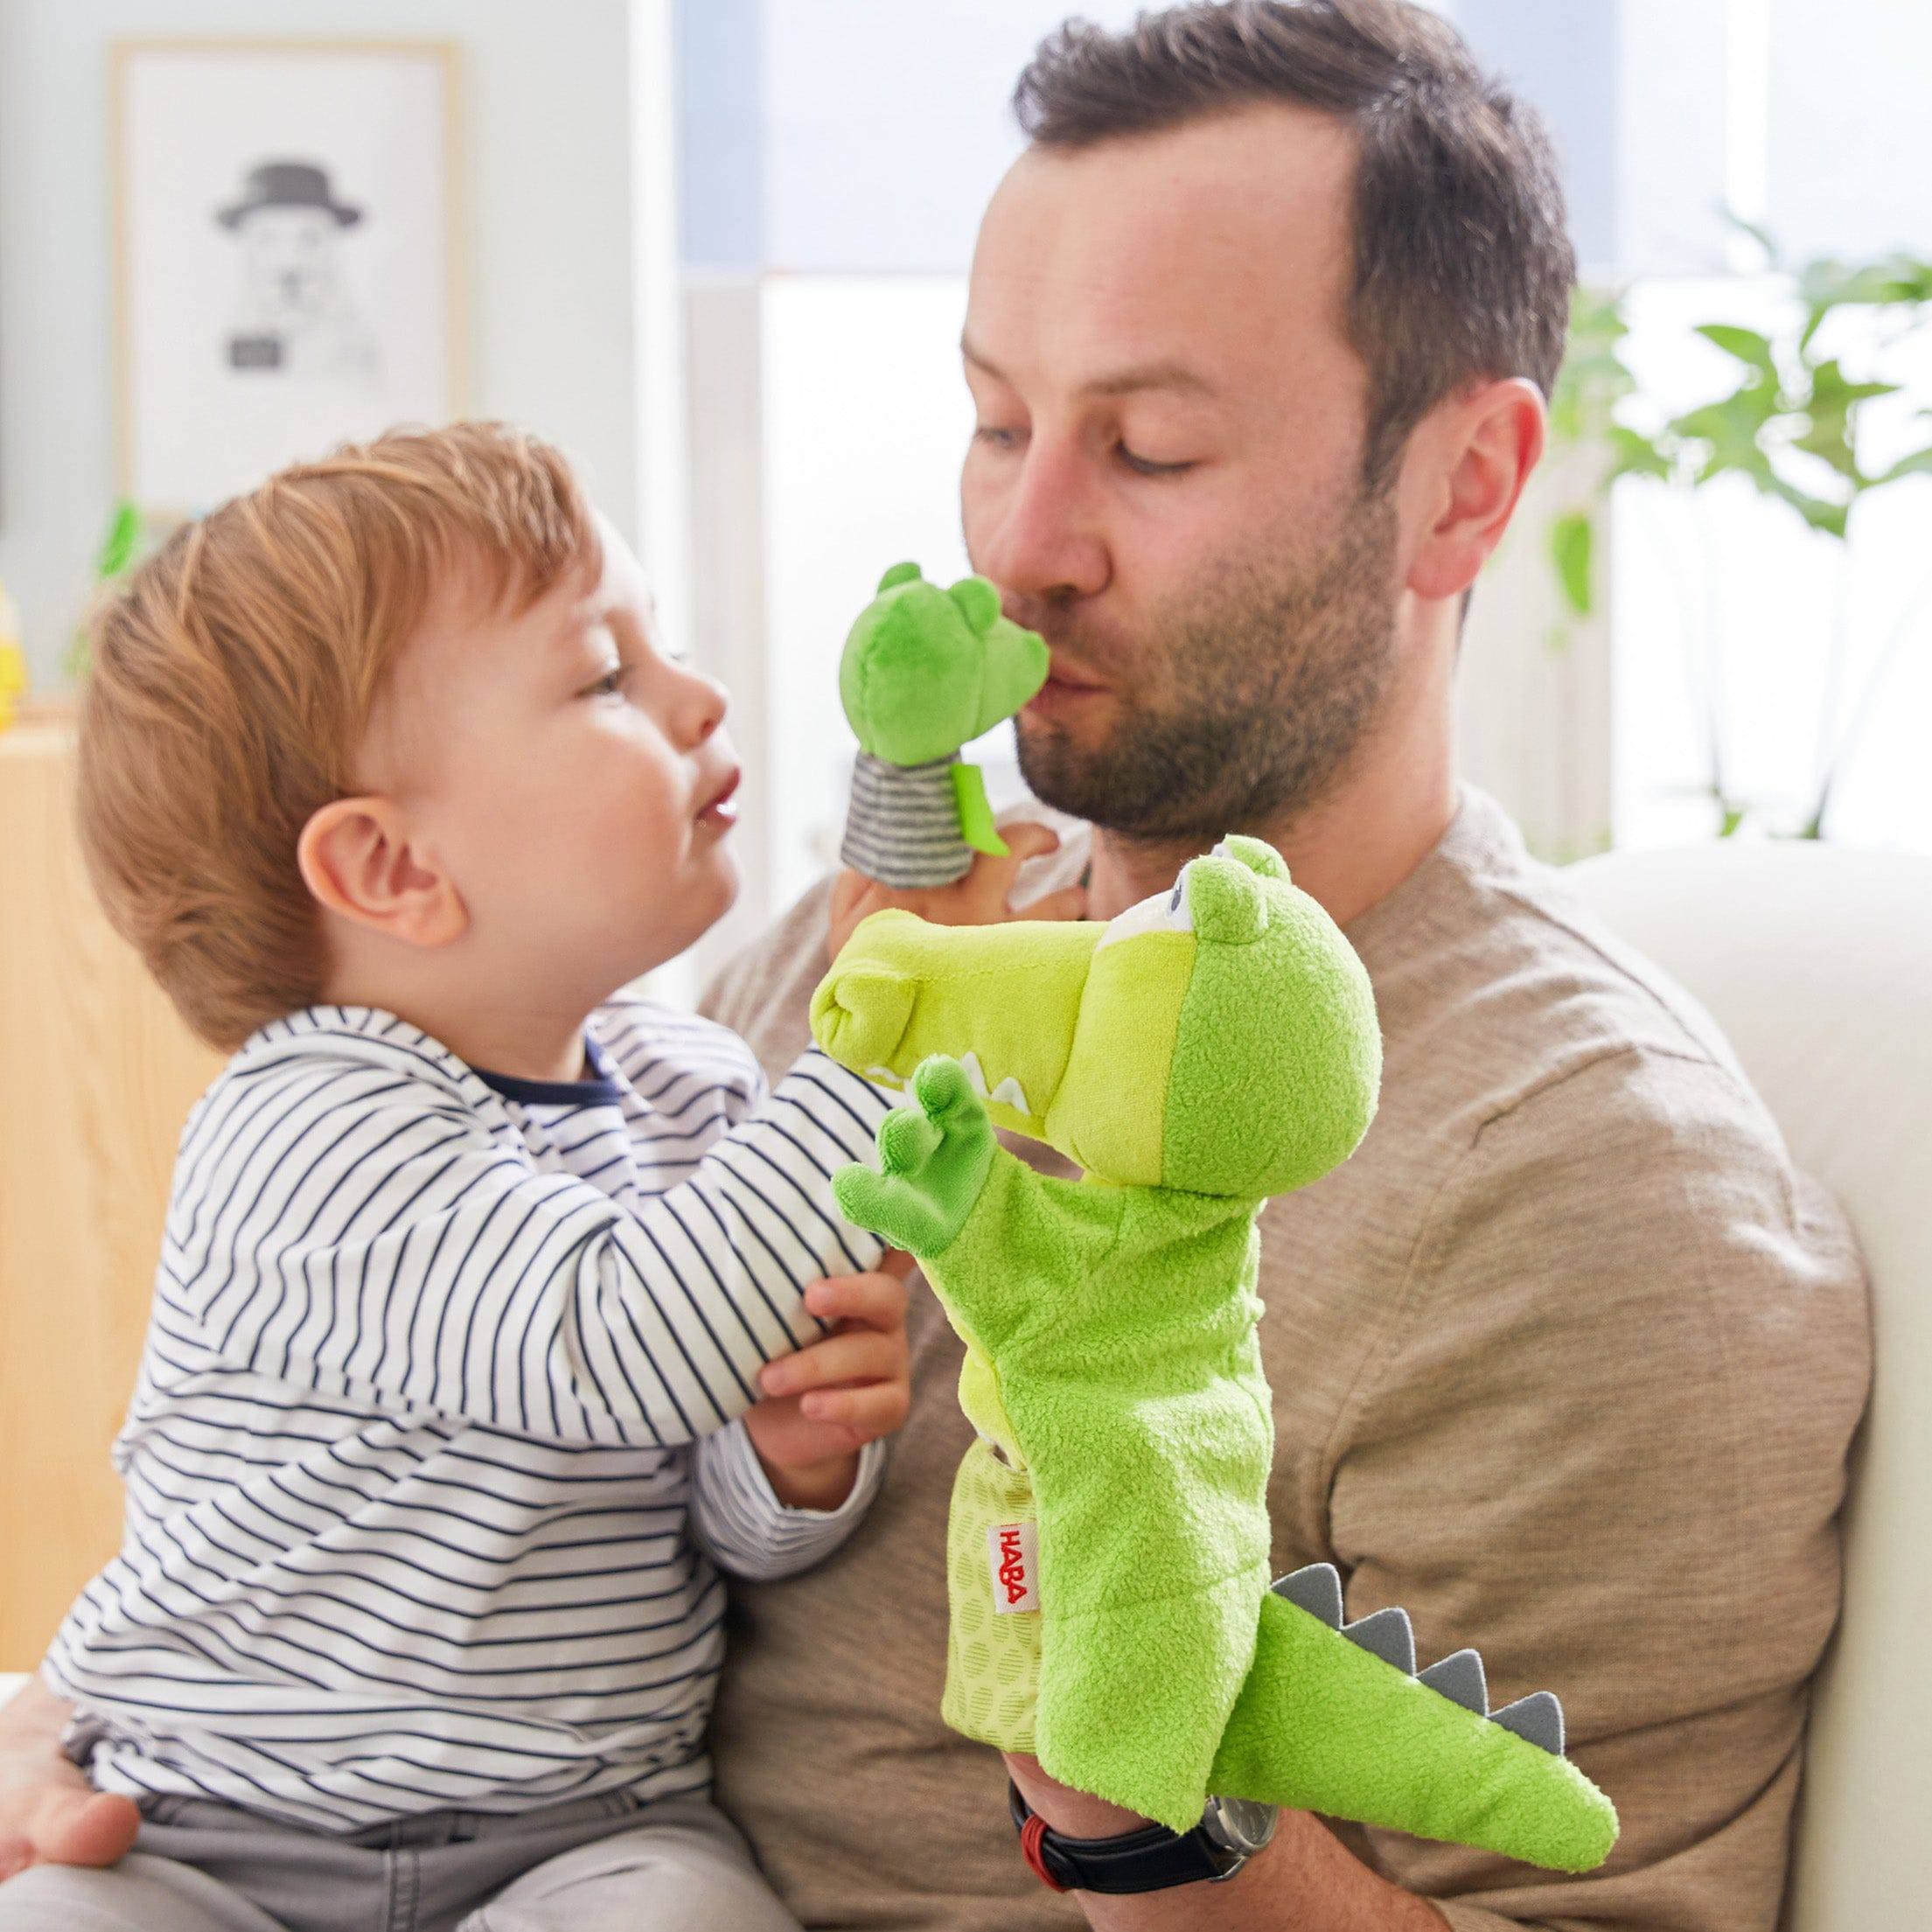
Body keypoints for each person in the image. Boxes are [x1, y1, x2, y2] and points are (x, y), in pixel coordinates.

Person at [1, 4, 1872, 1929]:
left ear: (1465, 485)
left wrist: (1143, 1812)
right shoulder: (838, 976)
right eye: (994, 421)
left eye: (1144, 448)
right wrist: (106, 1717)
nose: (1015, 543)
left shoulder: (1593, 1190)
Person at [0, 421, 1046, 1932]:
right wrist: (903, 1020)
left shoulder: (693, 1089)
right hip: (206, 1824)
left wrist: (788, 1451)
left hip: (583, 1827)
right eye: (607, 678)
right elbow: (616, 1345)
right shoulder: (302, 1130)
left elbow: (712, 1513)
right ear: (394, 870)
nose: (701, 699)